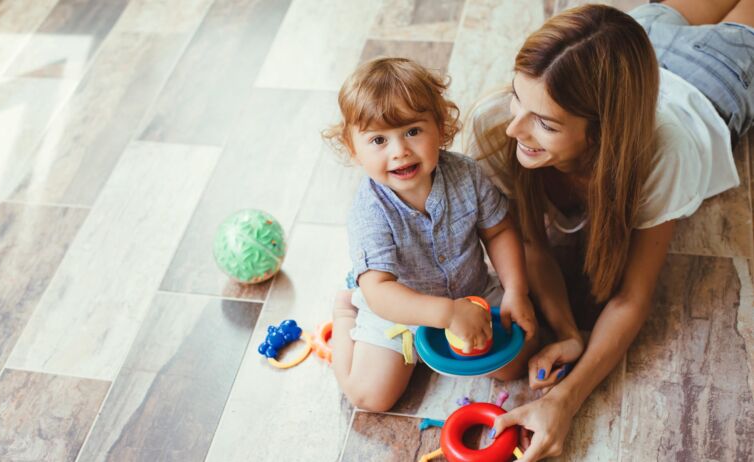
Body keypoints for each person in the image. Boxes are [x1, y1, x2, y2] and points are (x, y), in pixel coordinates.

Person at [467, 1, 754, 460]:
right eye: (518, 96)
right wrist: (567, 331)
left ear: (600, 136)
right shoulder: (497, 120)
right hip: (638, 40)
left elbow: (632, 297)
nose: (514, 128)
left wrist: (566, 400)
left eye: (545, 123)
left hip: (710, 77)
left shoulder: (664, 155)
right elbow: (526, 241)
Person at [322, 57, 539, 412]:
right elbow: (380, 290)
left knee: (519, 358)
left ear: (440, 126)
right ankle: (346, 311)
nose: (399, 151)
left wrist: (516, 290)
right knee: (370, 397)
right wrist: (446, 314)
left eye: (412, 131)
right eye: (378, 139)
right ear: (353, 150)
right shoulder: (369, 210)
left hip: (473, 293)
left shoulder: (466, 174)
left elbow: (499, 231)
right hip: (396, 311)